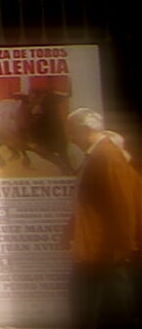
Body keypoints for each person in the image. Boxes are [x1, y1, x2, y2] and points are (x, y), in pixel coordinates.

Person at [68, 108, 142, 329]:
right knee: (95, 308)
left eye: (71, 131)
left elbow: (122, 204)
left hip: (106, 251)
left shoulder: (107, 156)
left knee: (108, 311)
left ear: (85, 130)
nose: (69, 137)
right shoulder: (98, 155)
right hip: (98, 250)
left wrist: (123, 247)